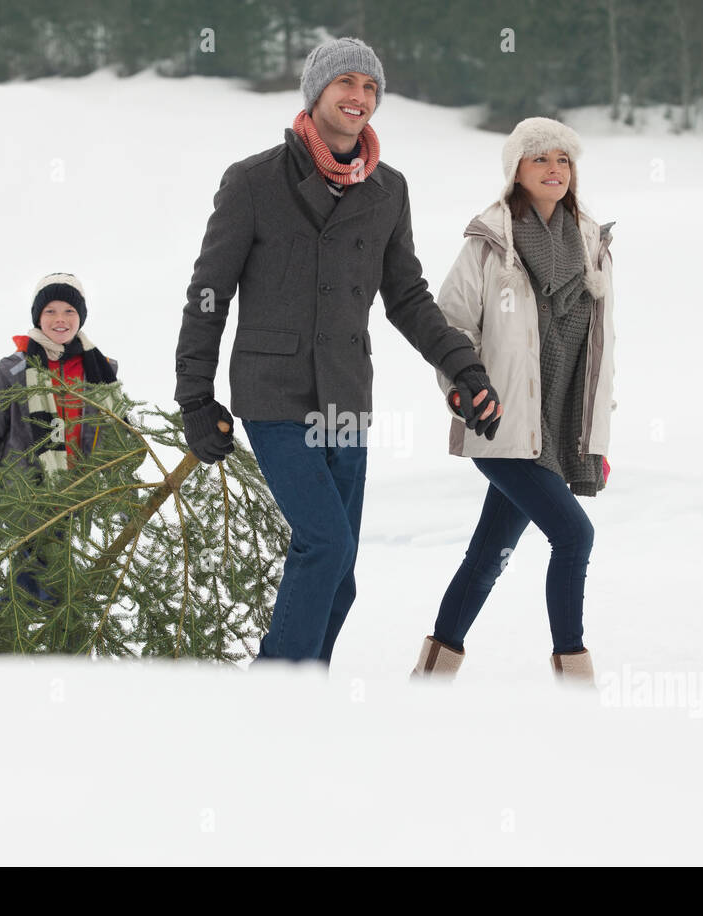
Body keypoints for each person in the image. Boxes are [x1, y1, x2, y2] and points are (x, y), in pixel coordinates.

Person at [175, 36, 503, 666]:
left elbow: (407, 297)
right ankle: (278, 692)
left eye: (371, 87)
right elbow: (208, 296)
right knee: (324, 543)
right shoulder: (253, 181)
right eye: (346, 84)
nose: (359, 97)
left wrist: (462, 366)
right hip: (275, 395)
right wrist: (195, 396)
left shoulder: (389, 190)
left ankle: (306, 700)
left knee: (341, 568)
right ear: (317, 92)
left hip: (346, 397)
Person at [409, 117, 618, 685]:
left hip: (555, 430)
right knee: (575, 535)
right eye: (540, 159)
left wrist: (593, 439)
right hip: (500, 425)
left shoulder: (592, 245)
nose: (555, 169)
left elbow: (599, 357)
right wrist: (463, 389)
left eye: (563, 160)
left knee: (487, 557)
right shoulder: (490, 244)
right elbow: (450, 327)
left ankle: (431, 674)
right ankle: (575, 679)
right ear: (516, 172)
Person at [0, 273, 119, 603]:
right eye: (50, 311)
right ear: (38, 316)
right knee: (43, 577)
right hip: (28, 496)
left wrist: (119, 481)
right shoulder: (13, 372)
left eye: (69, 311)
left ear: (81, 316)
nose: (60, 320)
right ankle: (37, 640)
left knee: (36, 579)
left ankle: (7, 642)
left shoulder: (100, 369)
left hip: (78, 493)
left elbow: (118, 431)